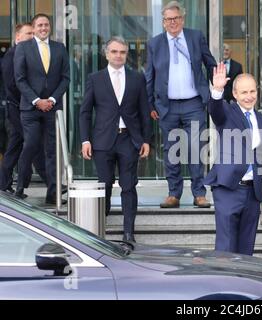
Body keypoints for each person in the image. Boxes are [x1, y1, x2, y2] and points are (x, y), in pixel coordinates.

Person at [145, 1, 217, 209]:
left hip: (193, 103)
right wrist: (151, 104)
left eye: (176, 18)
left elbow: (210, 63)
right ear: (163, 22)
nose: (172, 22)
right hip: (166, 106)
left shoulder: (195, 37)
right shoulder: (155, 44)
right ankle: (173, 194)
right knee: (170, 150)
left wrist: (218, 89)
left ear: (182, 19)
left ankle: (199, 193)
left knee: (196, 148)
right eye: (168, 19)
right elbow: (149, 76)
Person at [79, 37, 152, 242]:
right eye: (114, 52)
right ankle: (102, 225)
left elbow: (144, 111)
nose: (118, 55)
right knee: (106, 183)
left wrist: (146, 140)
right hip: (102, 141)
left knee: (128, 186)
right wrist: (85, 140)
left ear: (126, 54)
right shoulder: (95, 78)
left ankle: (128, 233)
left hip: (129, 139)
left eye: (122, 52)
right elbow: (85, 112)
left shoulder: (137, 78)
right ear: (106, 54)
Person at [204, 63, 262, 256]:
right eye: (244, 92)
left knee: (246, 250)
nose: (249, 96)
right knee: (226, 249)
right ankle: (223, 285)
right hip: (228, 188)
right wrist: (217, 90)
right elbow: (215, 110)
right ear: (235, 94)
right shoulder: (228, 113)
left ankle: (242, 285)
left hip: (252, 193)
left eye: (252, 91)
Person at [14, 13, 70, 204]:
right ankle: (20, 187)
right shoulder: (23, 48)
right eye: (40, 25)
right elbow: (20, 79)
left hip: (53, 108)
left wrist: (52, 99)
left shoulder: (59, 48)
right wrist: (37, 100)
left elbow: (65, 78)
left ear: (50, 27)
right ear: (34, 27)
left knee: (52, 151)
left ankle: (52, 193)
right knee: (30, 145)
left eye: (46, 25)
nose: (43, 28)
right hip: (30, 108)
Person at [0, 23, 47, 196]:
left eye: (33, 34)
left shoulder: (24, 54)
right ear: (17, 37)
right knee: (34, 144)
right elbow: (13, 85)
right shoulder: (12, 55)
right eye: (28, 33)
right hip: (18, 110)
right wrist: (31, 101)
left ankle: (4, 183)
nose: (31, 36)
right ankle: (51, 183)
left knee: (15, 147)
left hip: (22, 109)